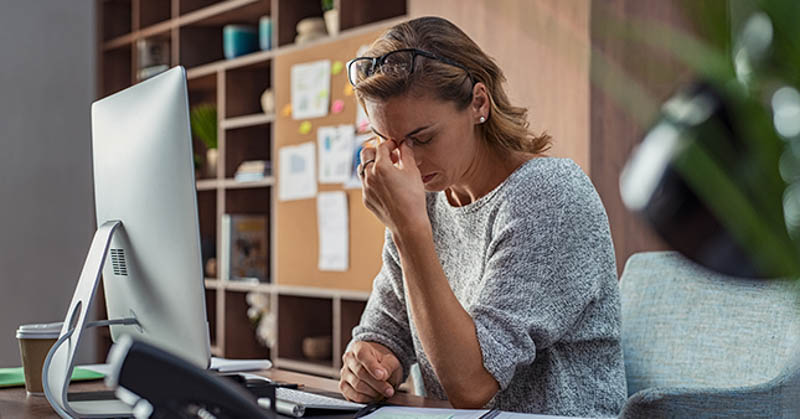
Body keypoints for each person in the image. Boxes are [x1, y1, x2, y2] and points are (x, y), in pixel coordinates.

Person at [339, 16, 627, 416]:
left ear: (478, 103)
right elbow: (386, 330)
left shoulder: (549, 194)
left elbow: (472, 384)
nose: (407, 161)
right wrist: (369, 362)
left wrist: (408, 229)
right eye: (390, 142)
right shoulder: (424, 201)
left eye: (423, 138)